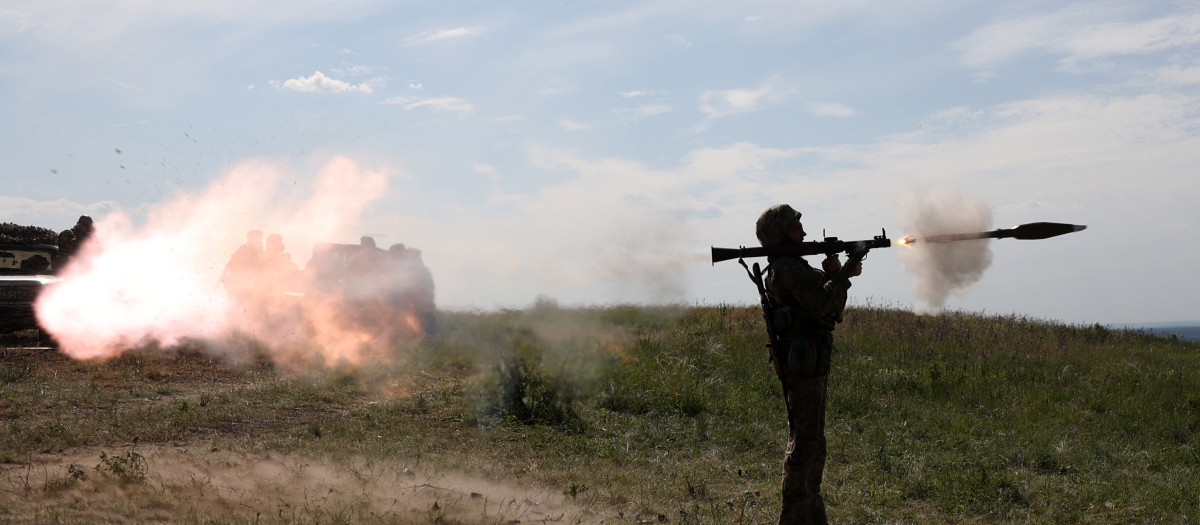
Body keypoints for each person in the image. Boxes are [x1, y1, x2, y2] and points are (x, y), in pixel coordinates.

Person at [756, 204, 862, 525]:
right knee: (803, 447)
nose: (802, 232)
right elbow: (818, 303)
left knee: (814, 443)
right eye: (795, 227)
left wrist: (838, 275)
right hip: (802, 364)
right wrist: (844, 271)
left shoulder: (793, 267)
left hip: (810, 362)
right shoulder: (787, 269)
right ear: (780, 233)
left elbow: (830, 310)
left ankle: (813, 517)